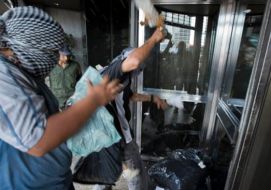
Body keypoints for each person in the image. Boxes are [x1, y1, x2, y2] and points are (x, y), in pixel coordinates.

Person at [0, 6, 120, 189]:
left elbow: (45, 119)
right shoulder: (4, 76)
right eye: (51, 52)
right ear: (29, 48)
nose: (57, 59)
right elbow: (38, 140)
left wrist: (78, 109)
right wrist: (92, 101)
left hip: (56, 181)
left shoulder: (23, 73)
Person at [99, 27, 167, 190]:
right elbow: (134, 60)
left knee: (109, 170)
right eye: (137, 68)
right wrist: (153, 39)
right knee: (133, 171)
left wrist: (152, 98)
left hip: (116, 133)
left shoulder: (123, 78)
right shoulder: (114, 71)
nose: (137, 71)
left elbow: (129, 96)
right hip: (113, 135)